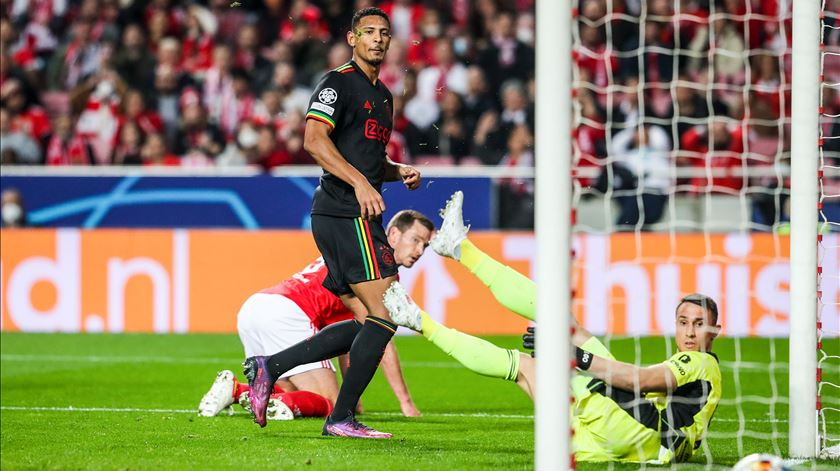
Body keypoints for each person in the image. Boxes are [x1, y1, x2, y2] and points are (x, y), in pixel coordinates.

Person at [383, 191, 723, 464]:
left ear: (716, 331)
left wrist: (574, 357)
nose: (690, 333)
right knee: (527, 366)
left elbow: (644, 380)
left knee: (559, 323)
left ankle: (460, 253)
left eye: (698, 325)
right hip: (626, 445)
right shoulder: (698, 371)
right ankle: (418, 319)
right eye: (683, 323)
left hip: (637, 429)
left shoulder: (702, 362)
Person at [242, 7, 422, 439]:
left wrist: (397, 171)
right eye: (369, 33)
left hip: (351, 212)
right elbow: (313, 139)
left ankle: (271, 366)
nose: (378, 39)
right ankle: (341, 418)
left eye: (384, 33)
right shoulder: (337, 82)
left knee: (369, 322)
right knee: (386, 314)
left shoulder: (383, 97)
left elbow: (369, 159)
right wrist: (361, 183)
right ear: (352, 38)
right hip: (344, 211)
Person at [198, 210, 432, 421]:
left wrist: (352, 394)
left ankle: (235, 391)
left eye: (425, 245)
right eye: (415, 240)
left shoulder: (362, 249)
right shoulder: (380, 271)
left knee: (293, 392)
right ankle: (258, 398)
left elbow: (349, 337)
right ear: (393, 234)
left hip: (256, 307)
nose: (420, 250)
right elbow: (381, 339)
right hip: (288, 314)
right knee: (330, 403)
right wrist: (406, 403)